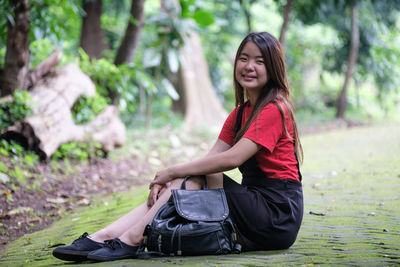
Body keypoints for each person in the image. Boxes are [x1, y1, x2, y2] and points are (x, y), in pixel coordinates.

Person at [52, 31, 304, 262]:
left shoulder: (275, 110)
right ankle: (103, 237)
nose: (249, 67)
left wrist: (172, 172)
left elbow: (231, 160)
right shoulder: (239, 115)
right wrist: (172, 181)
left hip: (276, 214)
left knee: (191, 179)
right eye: (244, 58)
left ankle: (130, 240)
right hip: (254, 204)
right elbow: (212, 158)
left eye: (259, 61)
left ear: (272, 68)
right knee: (189, 180)